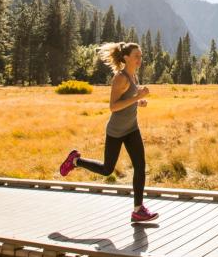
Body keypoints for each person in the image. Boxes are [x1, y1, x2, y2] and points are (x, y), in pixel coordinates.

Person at [59, 41, 158, 223]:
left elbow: (127, 100)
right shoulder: (120, 78)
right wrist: (138, 97)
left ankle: (138, 210)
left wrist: (138, 102)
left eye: (141, 56)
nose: (140, 59)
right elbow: (113, 107)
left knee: (140, 166)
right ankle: (75, 160)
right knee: (107, 169)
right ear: (126, 58)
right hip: (116, 131)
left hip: (132, 128)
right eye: (137, 56)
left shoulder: (134, 76)